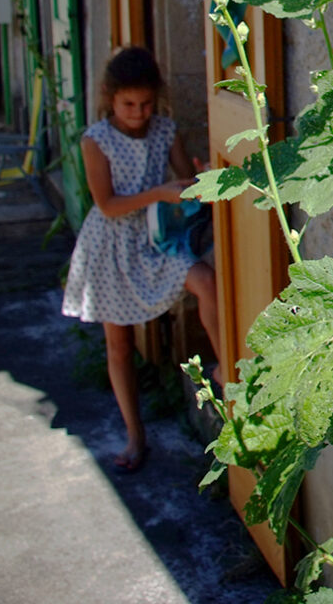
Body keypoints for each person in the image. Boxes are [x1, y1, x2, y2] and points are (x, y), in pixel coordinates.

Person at [61, 46, 219, 473]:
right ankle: (135, 435)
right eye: (128, 104)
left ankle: (228, 370)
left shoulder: (165, 130)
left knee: (205, 281)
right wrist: (161, 193)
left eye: (146, 103)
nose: (138, 112)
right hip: (110, 245)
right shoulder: (96, 140)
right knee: (119, 344)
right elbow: (108, 205)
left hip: (157, 238)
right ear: (110, 99)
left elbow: (185, 185)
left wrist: (198, 180)